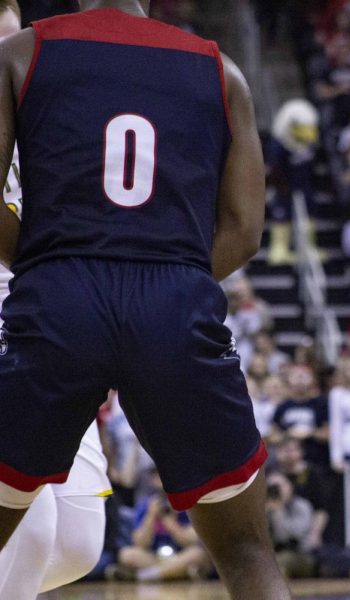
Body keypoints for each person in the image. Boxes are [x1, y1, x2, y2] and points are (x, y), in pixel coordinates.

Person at [0, 2, 290, 598]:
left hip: (61, 295)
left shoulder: (21, 53)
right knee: (246, 554)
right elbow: (244, 228)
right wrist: (168, 268)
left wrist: (45, 263)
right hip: (174, 300)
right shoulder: (221, 70)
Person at [0, 2, 111, 597]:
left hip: (53, 328)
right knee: (33, 526)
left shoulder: (47, 127)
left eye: (9, 44)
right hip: (19, 328)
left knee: (77, 543)